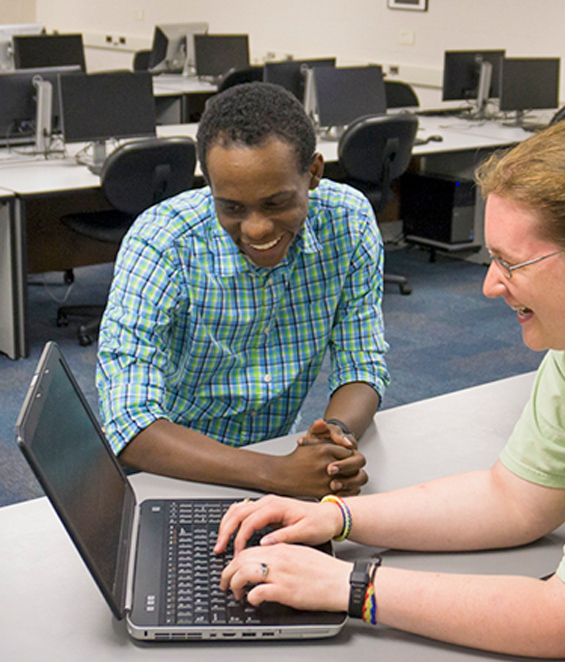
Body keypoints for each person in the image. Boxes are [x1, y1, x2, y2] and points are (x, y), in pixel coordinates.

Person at [214, 118, 565, 658]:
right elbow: (515, 499)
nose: (491, 285)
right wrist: (337, 517)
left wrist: (347, 586)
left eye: (512, 264)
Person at [96, 83, 389, 498]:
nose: (255, 228)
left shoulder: (349, 221)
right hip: (168, 469)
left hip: (274, 457)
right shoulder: (163, 241)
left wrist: (334, 441)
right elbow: (129, 421)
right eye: (231, 207)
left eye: (276, 203)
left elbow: (361, 363)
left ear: (314, 173)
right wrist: (277, 474)